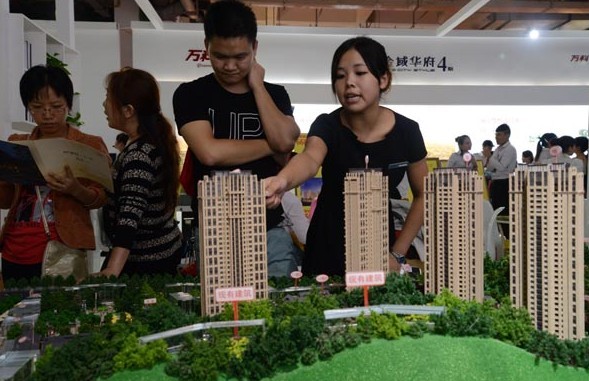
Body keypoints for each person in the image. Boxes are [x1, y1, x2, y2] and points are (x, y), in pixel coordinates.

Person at [265, 36, 428, 276]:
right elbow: (310, 159)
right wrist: (282, 181)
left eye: (360, 73)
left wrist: (397, 252)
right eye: (340, 76)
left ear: (383, 79)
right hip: (326, 246)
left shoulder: (407, 131)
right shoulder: (327, 125)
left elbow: (423, 193)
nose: (349, 83)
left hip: (375, 249)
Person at [173, 0, 300, 278]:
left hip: (270, 229)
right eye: (220, 56)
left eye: (241, 57)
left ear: (255, 48)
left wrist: (257, 86)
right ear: (206, 45)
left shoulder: (275, 94)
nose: (230, 66)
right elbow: (209, 153)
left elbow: (286, 142)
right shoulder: (190, 94)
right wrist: (271, 146)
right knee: (223, 314)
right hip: (216, 231)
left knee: (280, 312)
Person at [0, 65, 110, 282]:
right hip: (15, 246)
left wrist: (75, 189)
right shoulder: (17, 143)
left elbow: (102, 198)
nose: (47, 115)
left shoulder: (88, 144)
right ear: (28, 107)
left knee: (63, 309)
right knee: (16, 312)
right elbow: (4, 201)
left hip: (63, 248)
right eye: (37, 107)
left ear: (68, 104)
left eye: (56, 106)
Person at [99, 68, 183, 277]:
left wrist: (112, 269)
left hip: (146, 261)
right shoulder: (149, 143)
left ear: (128, 110)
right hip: (162, 250)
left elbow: (130, 215)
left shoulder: (139, 154)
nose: (104, 105)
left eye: (108, 98)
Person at [484, 123, 517, 220]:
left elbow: (502, 167)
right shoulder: (498, 149)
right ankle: (498, 233)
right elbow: (489, 168)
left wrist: (490, 157)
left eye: (499, 135)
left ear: (507, 135)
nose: (496, 137)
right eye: (496, 135)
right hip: (496, 182)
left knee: (503, 211)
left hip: (505, 182)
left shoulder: (510, 149)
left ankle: (506, 234)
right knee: (495, 211)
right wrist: (489, 158)